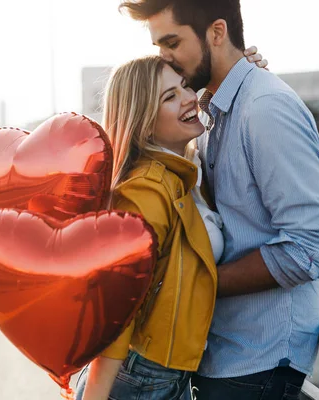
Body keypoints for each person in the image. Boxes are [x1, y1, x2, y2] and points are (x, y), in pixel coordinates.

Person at [118, 1, 319, 399]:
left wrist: (193, 285)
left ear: (217, 32)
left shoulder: (265, 108)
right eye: (159, 47)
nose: (165, 59)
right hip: (219, 351)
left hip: (258, 359)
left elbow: (312, 247)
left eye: (172, 42)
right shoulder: (211, 110)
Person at [75, 49, 268, 399]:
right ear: (145, 120)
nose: (189, 98)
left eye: (184, 86)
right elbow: (118, 308)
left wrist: (245, 78)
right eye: (170, 96)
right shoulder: (146, 190)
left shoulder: (183, 173)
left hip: (164, 375)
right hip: (139, 378)